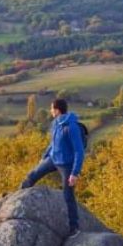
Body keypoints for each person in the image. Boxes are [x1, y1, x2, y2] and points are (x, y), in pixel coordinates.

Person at [20, 97, 85, 236]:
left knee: (68, 195)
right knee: (32, 175)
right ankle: (17, 196)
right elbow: (53, 143)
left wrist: (75, 173)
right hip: (52, 159)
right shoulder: (55, 123)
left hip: (66, 165)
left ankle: (74, 228)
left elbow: (79, 151)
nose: (50, 111)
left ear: (57, 110)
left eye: (52, 108)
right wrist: (44, 158)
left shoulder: (71, 127)